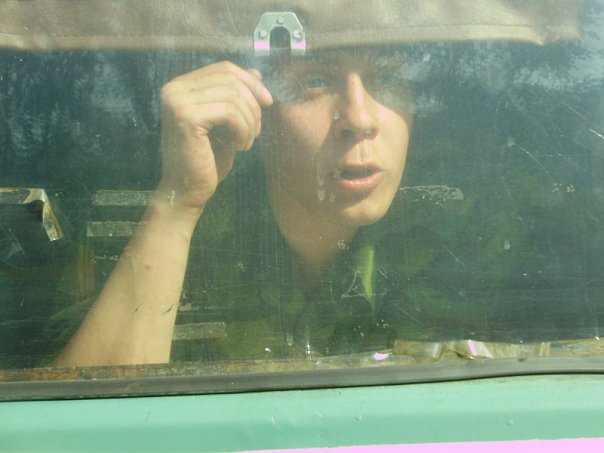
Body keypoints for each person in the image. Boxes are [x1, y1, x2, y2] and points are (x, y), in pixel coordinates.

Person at [52, 45, 417, 367]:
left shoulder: (442, 242)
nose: (359, 119)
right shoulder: (144, 233)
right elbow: (85, 414)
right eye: (315, 81)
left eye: (387, 78)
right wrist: (179, 204)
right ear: (256, 109)